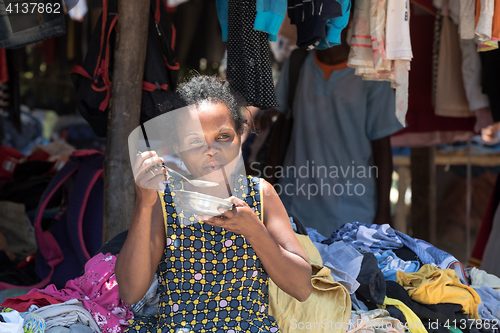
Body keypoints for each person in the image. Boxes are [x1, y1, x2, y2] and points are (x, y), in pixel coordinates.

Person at [115, 75, 312, 333]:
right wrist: (143, 203)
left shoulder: (259, 195)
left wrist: (255, 231)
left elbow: (302, 288)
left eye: (223, 136)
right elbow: (131, 292)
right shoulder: (164, 201)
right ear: (177, 147)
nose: (211, 150)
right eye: (195, 141)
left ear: (240, 134)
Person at [263, 29, 404, 238]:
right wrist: (269, 191)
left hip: (352, 208)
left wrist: (384, 210)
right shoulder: (298, 63)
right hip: (295, 203)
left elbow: (382, 146)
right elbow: (281, 128)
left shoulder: (372, 73)